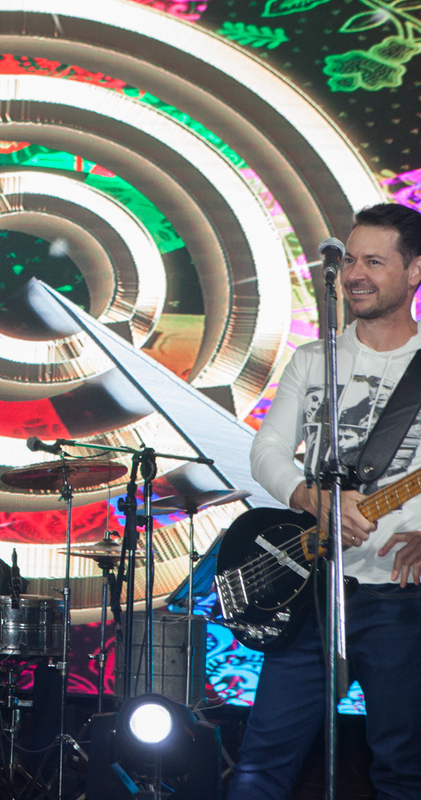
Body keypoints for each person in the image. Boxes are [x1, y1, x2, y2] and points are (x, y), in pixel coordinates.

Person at [234, 203, 421, 799]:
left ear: (415, 271)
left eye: (374, 262)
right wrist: (312, 498)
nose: (355, 275)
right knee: (262, 762)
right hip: (312, 590)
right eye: (350, 262)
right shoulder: (314, 360)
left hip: (400, 598)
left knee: (403, 769)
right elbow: (266, 451)